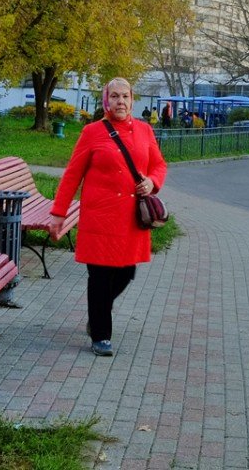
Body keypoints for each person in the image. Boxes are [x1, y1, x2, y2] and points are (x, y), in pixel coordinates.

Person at [47, 77, 167, 358]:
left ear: (132, 100)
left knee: (126, 272)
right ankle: (101, 334)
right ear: (106, 101)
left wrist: (152, 181)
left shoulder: (144, 131)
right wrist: (58, 214)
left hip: (130, 219)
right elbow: (72, 175)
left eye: (125, 96)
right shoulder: (92, 132)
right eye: (114, 96)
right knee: (100, 276)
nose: (120, 102)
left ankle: (97, 312)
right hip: (99, 218)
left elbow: (159, 165)